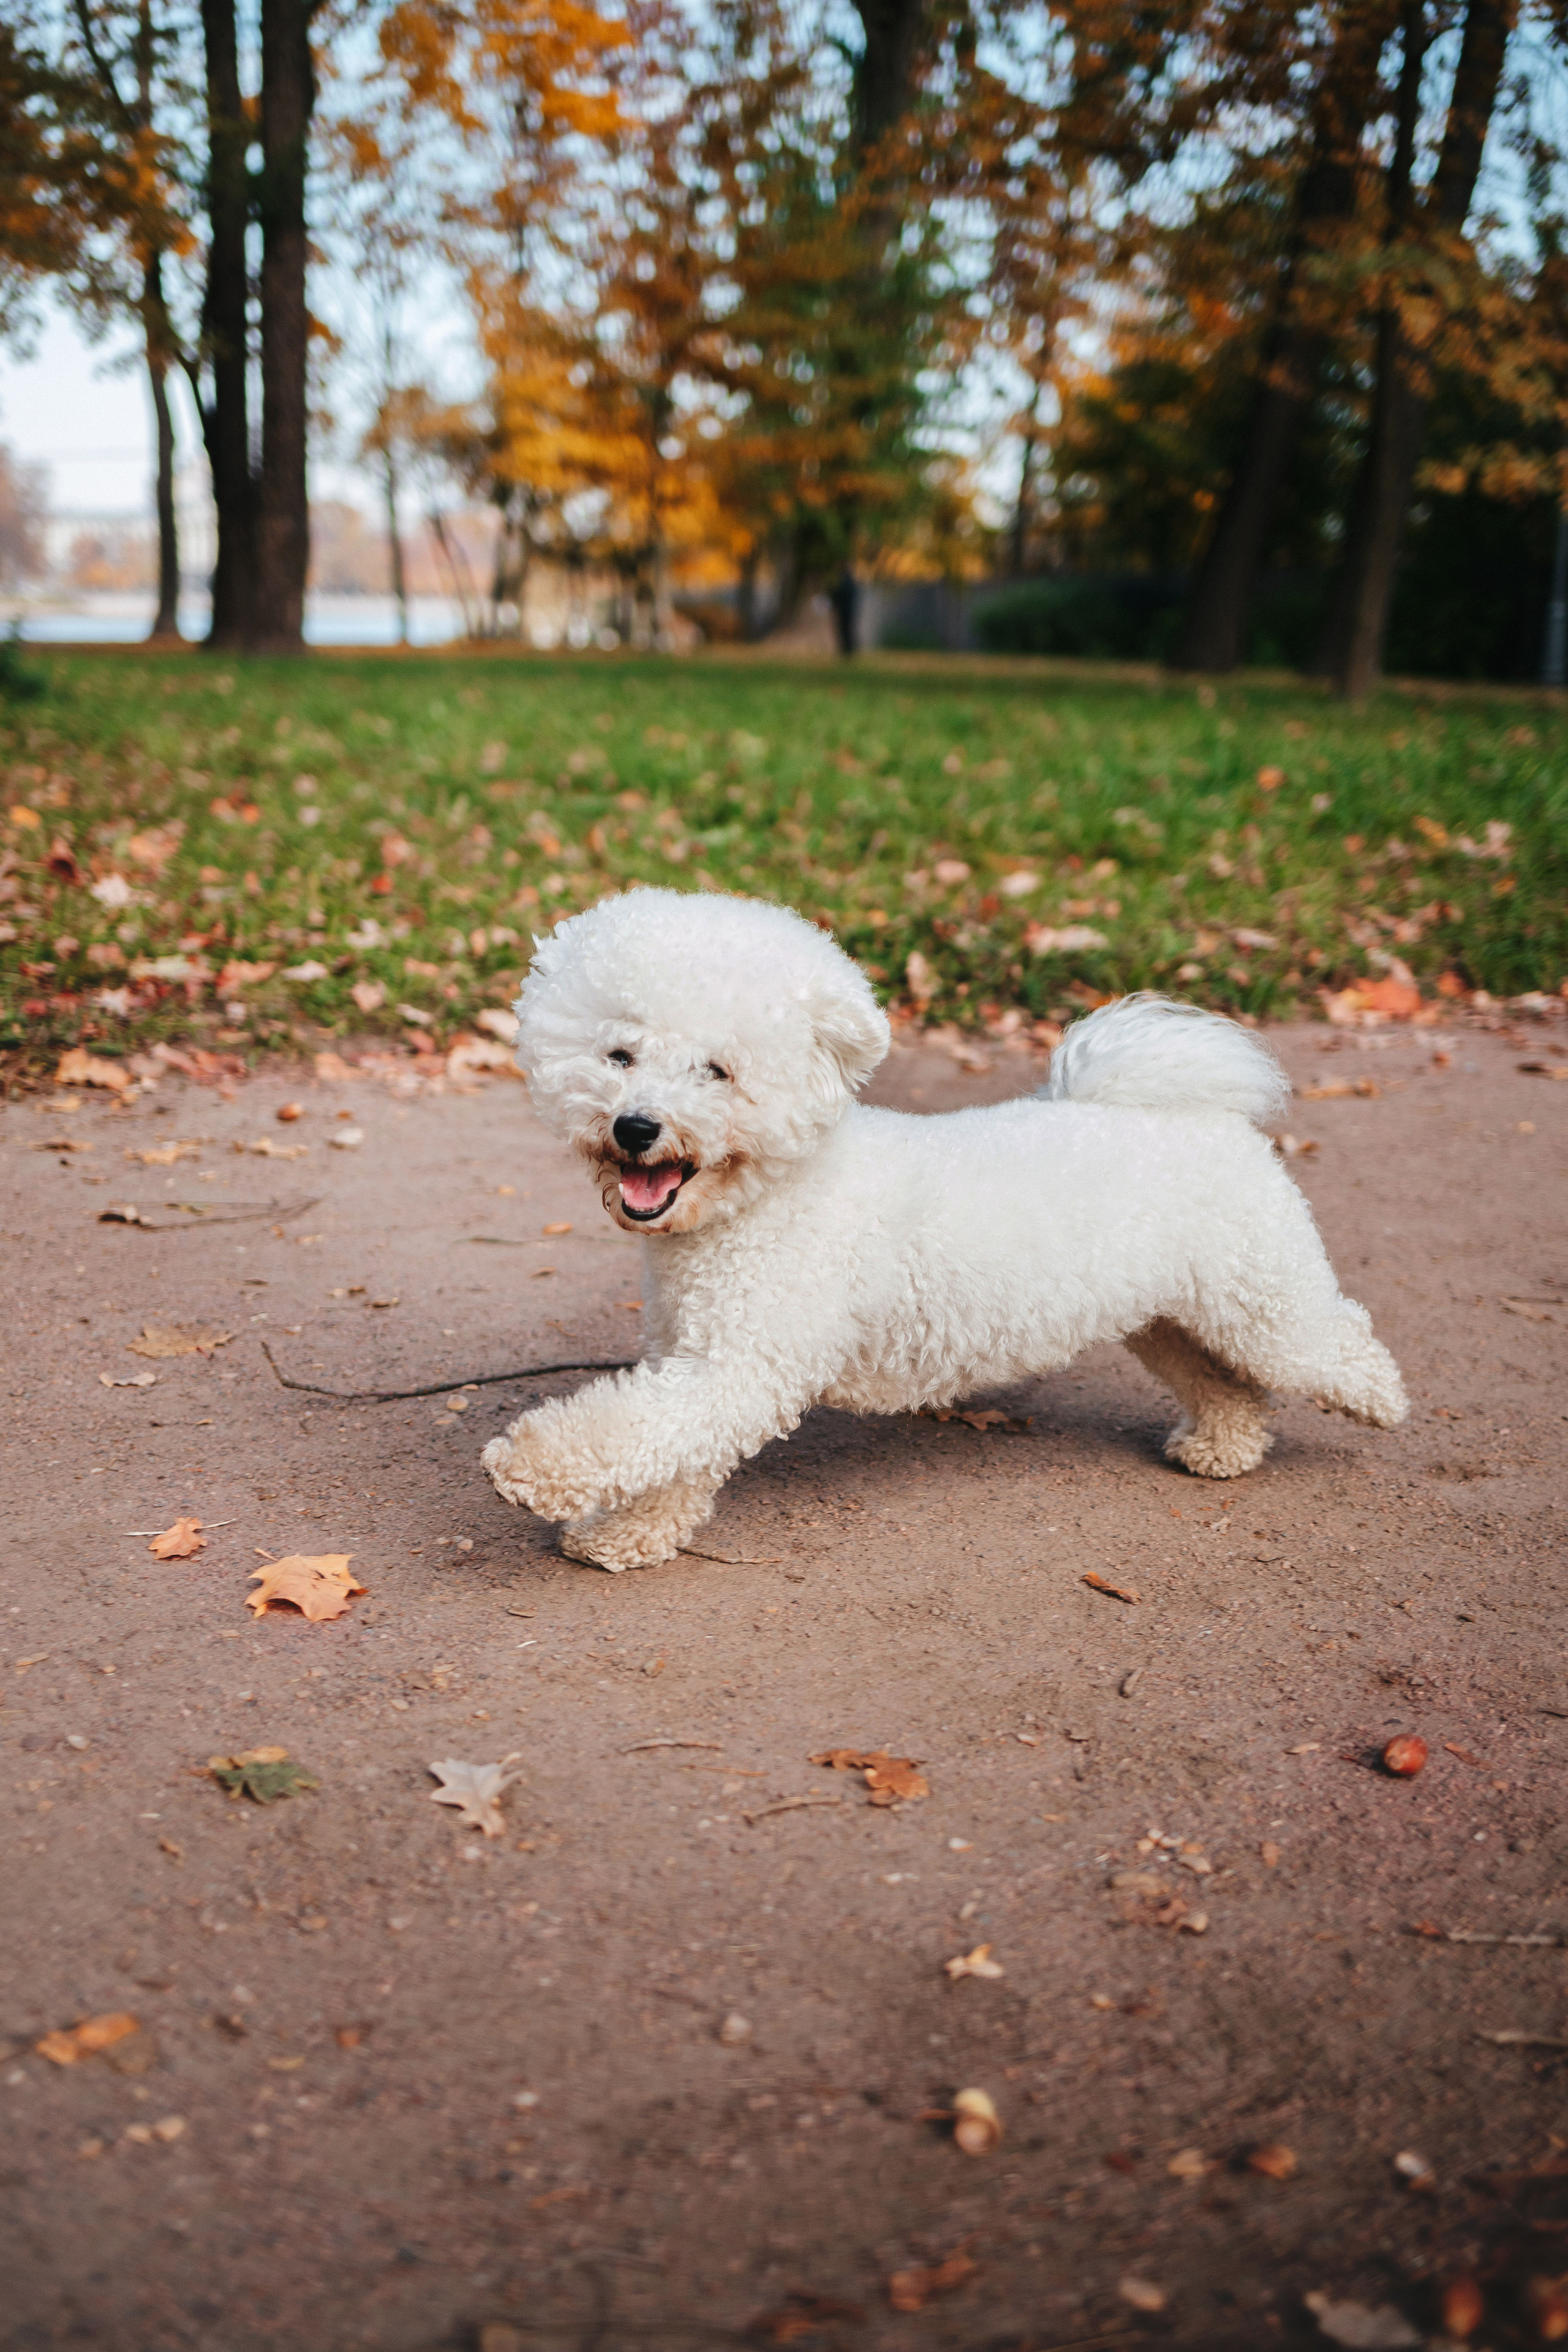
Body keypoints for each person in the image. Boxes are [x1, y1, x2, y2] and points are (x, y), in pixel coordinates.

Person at [829, 565, 860, 657]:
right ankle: (847, 650)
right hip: (848, 611)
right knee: (847, 631)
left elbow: (840, 595)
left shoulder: (846, 583)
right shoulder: (851, 582)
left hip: (845, 611)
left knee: (845, 631)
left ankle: (847, 651)